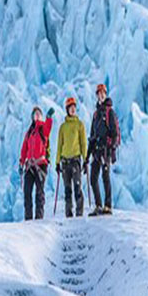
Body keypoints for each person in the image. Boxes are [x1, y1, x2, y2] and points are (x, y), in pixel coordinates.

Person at [85, 83, 120, 216]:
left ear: (105, 94)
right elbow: (92, 136)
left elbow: (115, 132)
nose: (100, 95)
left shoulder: (109, 112)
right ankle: (99, 205)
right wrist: (87, 156)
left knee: (105, 177)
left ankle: (108, 206)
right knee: (93, 178)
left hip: (106, 150)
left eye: (102, 93)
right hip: (97, 150)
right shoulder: (96, 114)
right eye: (98, 93)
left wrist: (112, 149)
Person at [19, 105, 55, 220]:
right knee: (27, 192)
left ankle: (39, 218)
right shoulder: (29, 133)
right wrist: (21, 162)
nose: (37, 115)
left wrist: (49, 118)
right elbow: (24, 149)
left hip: (40, 165)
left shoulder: (43, 128)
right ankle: (28, 218)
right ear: (32, 117)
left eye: (39, 113)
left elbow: (48, 129)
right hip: (29, 166)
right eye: (35, 113)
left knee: (39, 192)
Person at [55, 96, 87, 218]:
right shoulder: (63, 127)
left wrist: (85, 159)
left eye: (74, 107)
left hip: (75, 161)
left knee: (77, 187)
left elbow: (83, 143)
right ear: (67, 109)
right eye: (70, 107)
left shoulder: (80, 125)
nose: (73, 109)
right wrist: (57, 162)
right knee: (67, 189)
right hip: (65, 162)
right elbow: (59, 145)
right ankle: (68, 213)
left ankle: (79, 213)